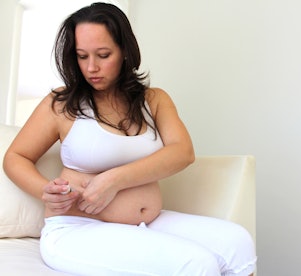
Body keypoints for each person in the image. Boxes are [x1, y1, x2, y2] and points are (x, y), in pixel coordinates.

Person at [3, 2, 256, 275]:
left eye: (103, 54)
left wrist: (113, 180)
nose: (92, 67)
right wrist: (45, 191)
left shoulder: (154, 100)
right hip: (76, 229)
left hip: (148, 221)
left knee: (237, 242)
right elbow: (16, 157)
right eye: (82, 56)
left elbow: (182, 152)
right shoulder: (62, 103)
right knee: (197, 264)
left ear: (124, 51)